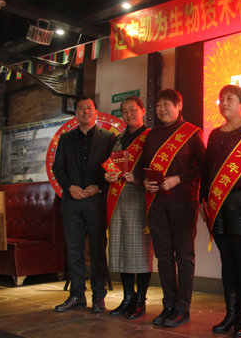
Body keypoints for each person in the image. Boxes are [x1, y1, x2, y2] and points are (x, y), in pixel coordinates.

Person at [200, 85, 241, 337]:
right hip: (216, 204)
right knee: (226, 260)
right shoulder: (215, 134)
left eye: (230, 98)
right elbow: (207, 169)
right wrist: (203, 199)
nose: (224, 103)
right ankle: (230, 313)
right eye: (221, 99)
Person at [137, 89, 205, 327]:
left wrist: (178, 179)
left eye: (167, 104)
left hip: (183, 201)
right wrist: (144, 181)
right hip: (157, 203)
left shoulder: (191, 133)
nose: (162, 109)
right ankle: (169, 305)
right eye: (159, 105)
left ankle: (182, 308)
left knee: (184, 256)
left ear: (179, 106)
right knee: (163, 257)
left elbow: (204, 167)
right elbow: (142, 166)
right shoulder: (152, 135)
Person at [53, 96, 115, 313]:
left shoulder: (108, 137)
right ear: (76, 113)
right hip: (71, 203)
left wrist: (99, 187)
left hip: (96, 202)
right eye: (81, 108)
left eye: (89, 108)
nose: (86, 112)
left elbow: (113, 168)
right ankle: (77, 295)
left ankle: (98, 296)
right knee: (74, 251)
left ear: (96, 112)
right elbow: (58, 167)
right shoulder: (65, 138)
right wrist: (69, 186)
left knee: (98, 251)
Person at [104, 97, 153, 319]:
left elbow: (156, 165)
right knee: (121, 249)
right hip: (118, 199)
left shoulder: (150, 137)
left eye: (133, 110)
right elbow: (111, 165)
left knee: (140, 251)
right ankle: (127, 298)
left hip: (139, 197)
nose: (129, 114)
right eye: (124, 111)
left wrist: (139, 176)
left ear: (142, 111)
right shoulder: (117, 139)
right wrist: (108, 175)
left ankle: (140, 299)